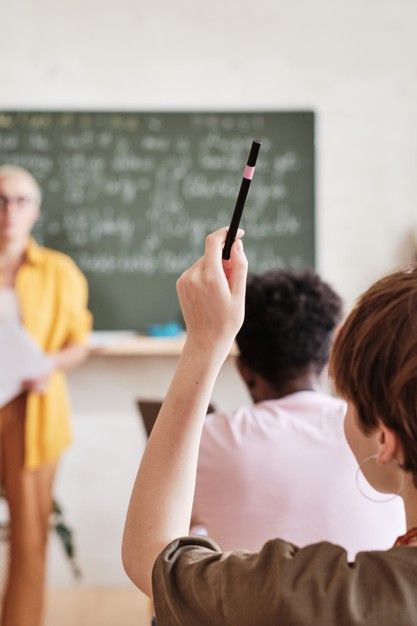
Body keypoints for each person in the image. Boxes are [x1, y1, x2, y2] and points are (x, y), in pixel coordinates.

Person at [123, 227, 417, 625]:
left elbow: (153, 559)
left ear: (385, 438)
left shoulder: (321, 594)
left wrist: (205, 342)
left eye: (348, 399)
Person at [191, 269, 404, 556]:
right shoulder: (377, 430)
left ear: (246, 372)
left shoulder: (207, 438)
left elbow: (163, 544)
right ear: (330, 356)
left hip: (248, 599)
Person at [0, 166, 92, 626]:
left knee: (29, 533)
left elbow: (79, 343)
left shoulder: (60, 271)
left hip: (32, 413)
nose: (8, 210)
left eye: (19, 201)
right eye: (0, 199)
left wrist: (45, 367)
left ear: (35, 210)